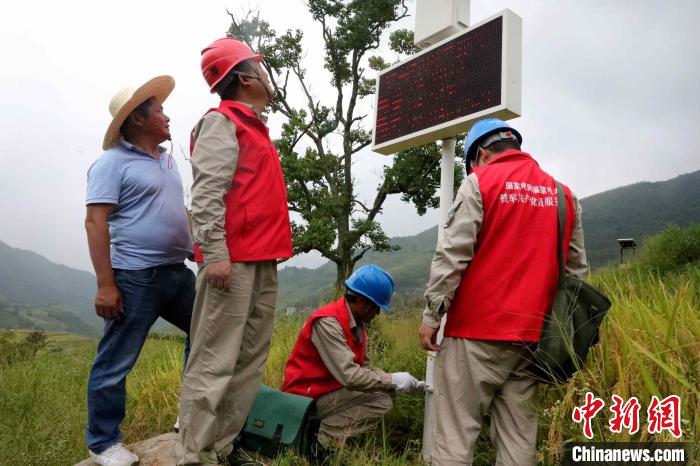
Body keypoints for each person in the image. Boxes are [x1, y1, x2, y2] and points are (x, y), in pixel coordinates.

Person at [419, 118, 588, 466]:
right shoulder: (564, 195)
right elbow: (577, 277)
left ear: (480, 154)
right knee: (518, 444)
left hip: (474, 335)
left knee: (454, 438)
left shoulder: (479, 183)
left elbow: (451, 255)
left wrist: (431, 315)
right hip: (533, 341)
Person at [176, 37, 293, 465]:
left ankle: (220, 447)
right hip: (233, 261)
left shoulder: (255, 128)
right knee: (213, 361)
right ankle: (189, 454)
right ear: (245, 79)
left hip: (262, 261)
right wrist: (216, 253)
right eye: (261, 71)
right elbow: (207, 193)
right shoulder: (221, 122)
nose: (267, 77)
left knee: (247, 361)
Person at [84, 76, 195, 466]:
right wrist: (105, 285)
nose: (167, 115)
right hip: (135, 277)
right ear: (136, 119)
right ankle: (102, 443)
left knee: (207, 334)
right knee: (115, 362)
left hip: (178, 273)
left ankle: (193, 413)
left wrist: (194, 244)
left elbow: (176, 211)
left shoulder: (167, 157)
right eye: (159, 110)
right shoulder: (111, 164)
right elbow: (96, 222)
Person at [282, 264, 423, 450]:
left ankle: (322, 433)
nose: (377, 313)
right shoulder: (328, 322)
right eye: (376, 307)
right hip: (304, 399)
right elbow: (349, 375)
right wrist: (392, 379)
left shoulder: (357, 325)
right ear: (363, 301)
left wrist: (392, 382)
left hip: (329, 392)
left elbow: (364, 370)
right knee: (381, 399)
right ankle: (319, 443)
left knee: (384, 395)